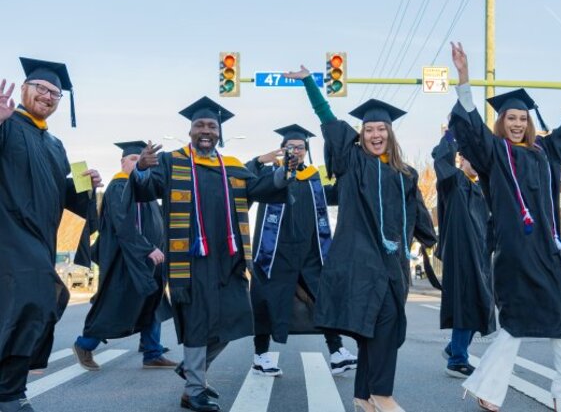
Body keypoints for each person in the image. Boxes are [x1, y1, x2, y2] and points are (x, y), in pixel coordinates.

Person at [448, 42, 561, 412]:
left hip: (549, 249)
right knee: (517, 321)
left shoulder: (546, 151)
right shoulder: (493, 153)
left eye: (522, 118)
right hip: (517, 252)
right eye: (511, 119)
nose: (518, 124)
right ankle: (494, 388)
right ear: (502, 123)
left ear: (529, 122)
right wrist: (463, 79)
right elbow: (471, 130)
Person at [284, 66, 437, 412]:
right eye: (369, 129)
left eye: (381, 128)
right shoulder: (353, 162)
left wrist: (431, 241)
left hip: (393, 263)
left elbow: (418, 215)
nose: (375, 134)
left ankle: (363, 396)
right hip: (359, 260)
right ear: (362, 134)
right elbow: (329, 121)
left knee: (377, 330)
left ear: (390, 133)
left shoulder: (406, 175)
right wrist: (310, 83)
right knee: (382, 325)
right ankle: (382, 394)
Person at [130, 97, 294, 412]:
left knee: (236, 318)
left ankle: (193, 368)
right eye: (199, 125)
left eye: (211, 126)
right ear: (190, 131)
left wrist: (284, 173)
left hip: (228, 261)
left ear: (219, 132)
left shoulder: (231, 166)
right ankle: (194, 390)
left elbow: (262, 188)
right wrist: (140, 169)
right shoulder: (172, 162)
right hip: (188, 263)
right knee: (197, 323)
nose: (206, 131)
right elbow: (145, 189)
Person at [0, 59, 101, 412]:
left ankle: (10, 389)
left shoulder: (55, 145)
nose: (47, 96)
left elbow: (62, 196)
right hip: (8, 235)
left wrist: (84, 186)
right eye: (40, 88)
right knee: (29, 302)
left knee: (39, 306)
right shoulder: (7, 125)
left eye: (54, 93)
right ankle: (9, 394)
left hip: (40, 240)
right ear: (23, 88)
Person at [246, 124, 357, 377]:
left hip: (310, 252)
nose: (294, 151)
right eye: (289, 147)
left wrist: (346, 173)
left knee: (323, 296)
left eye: (299, 147)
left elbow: (338, 194)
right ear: (281, 150)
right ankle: (261, 356)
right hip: (273, 253)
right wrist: (259, 161)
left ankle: (337, 352)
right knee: (265, 301)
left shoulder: (313, 177)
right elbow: (242, 183)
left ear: (306, 151)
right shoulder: (267, 176)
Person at [73, 141, 176, 371]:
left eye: (142, 159)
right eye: (133, 159)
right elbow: (123, 224)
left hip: (151, 259)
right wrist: (147, 248)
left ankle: (152, 352)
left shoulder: (146, 187)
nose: (138, 162)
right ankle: (84, 344)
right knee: (115, 305)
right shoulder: (119, 186)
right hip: (126, 259)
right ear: (122, 162)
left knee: (153, 303)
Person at [432, 131, 495, 379]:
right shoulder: (453, 182)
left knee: (481, 304)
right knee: (465, 304)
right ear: (461, 160)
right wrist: (451, 134)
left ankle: (453, 349)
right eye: (470, 159)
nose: (475, 164)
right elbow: (440, 160)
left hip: (480, 256)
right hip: (460, 255)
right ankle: (458, 359)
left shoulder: (482, 189)